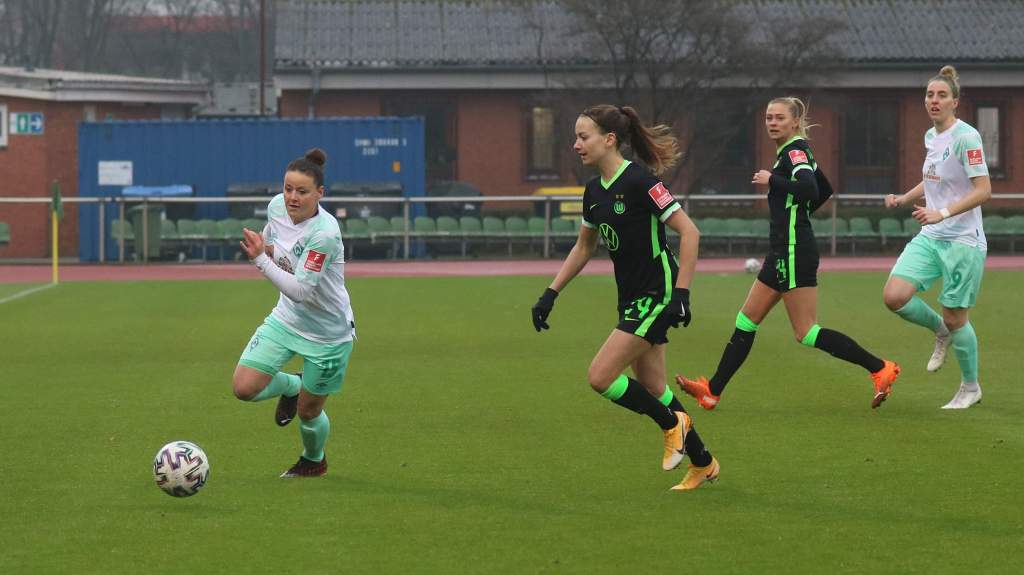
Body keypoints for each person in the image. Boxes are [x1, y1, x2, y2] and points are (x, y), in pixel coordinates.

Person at [531, 104, 718, 491]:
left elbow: (690, 232)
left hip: (657, 292)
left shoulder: (640, 181)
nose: (576, 144)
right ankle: (702, 462)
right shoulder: (593, 191)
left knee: (600, 377)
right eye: (576, 137)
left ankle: (672, 423)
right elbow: (584, 247)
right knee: (654, 388)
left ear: (609, 139)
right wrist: (551, 293)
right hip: (631, 297)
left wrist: (682, 293)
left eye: (583, 137)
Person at [676, 97, 901, 410]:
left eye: (779, 117)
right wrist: (796, 208)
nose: (772, 122)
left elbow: (810, 188)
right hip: (782, 250)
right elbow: (824, 189)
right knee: (746, 320)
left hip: (794, 249)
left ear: (795, 122)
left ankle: (880, 368)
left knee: (806, 332)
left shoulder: (795, 151)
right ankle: (712, 391)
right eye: (769, 117)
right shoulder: (793, 151)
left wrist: (773, 181)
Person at [232, 148, 356, 477]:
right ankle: (291, 385)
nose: (292, 197)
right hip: (286, 319)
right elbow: (276, 245)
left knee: (308, 412)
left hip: (328, 334)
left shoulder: (324, 234)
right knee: (243, 388)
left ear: (320, 193)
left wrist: (260, 259)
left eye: (302, 191)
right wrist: (265, 247)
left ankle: (314, 460)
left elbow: (301, 291)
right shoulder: (276, 207)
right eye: (288, 188)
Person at [882, 66, 991, 409]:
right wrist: (904, 197)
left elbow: (984, 190)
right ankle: (940, 331)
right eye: (930, 94)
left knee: (957, 317)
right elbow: (933, 178)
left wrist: (941, 213)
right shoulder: (931, 136)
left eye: (942, 95)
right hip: (932, 234)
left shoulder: (967, 137)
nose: (934, 100)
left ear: (955, 102)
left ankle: (970, 387)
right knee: (894, 296)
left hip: (963, 240)